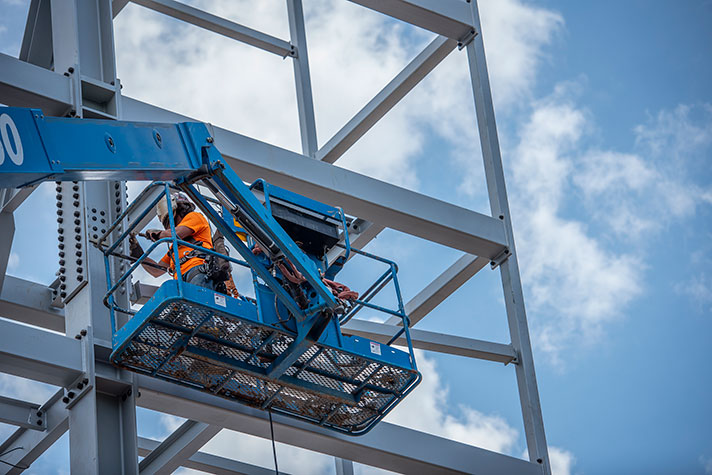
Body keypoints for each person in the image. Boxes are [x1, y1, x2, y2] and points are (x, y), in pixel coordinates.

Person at [129, 192, 215, 290]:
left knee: (199, 302)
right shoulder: (175, 249)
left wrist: (157, 234)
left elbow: (175, 234)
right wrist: (139, 255)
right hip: (181, 281)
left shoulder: (195, 217)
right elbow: (157, 271)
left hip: (198, 271)